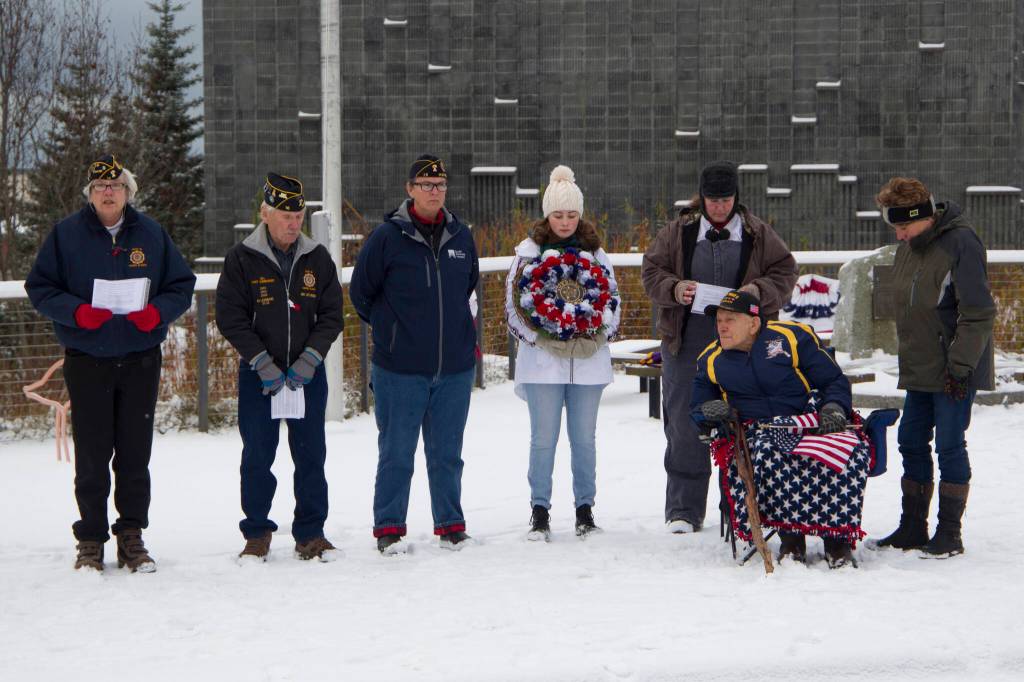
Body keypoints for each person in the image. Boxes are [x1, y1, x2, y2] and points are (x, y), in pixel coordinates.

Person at [24, 154, 196, 572]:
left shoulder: (151, 234)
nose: (108, 192)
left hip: (139, 359)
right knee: (93, 453)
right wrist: (77, 313)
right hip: (88, 359)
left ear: (128, 192)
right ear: (90, 193)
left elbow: (181, 284)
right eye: (100, 187)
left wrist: (156, 313)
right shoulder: (66, 235)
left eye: (116, 186)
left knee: (135, 453)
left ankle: (132, 535)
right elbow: (40, 287)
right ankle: (90, 539)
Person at [642, 161, 798, 534]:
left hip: (742, 344)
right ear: (702, 199)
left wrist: (756, 292)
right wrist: (676, 289)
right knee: (684, 422)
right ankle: (683, 508)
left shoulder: (758, 233)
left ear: (736, 198)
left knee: (743, 420)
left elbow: (785, 271)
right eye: (712, 200)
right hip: (688, 340)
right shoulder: (678, 232)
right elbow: (651, 272)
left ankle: (740, 506)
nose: (718, 207)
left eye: (725, 200)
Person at [349, 154, 480, 555]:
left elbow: (468, 290)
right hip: (399, 369)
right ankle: (389, 527)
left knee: (447, 455)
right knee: (396, 453)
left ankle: (451, 524)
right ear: (409, 190)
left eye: (439, 185)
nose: (433, 192)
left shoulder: (461, 237)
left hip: (454, 369)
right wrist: (392, 333)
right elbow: (361, 293)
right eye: (425, 185)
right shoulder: (386, 238)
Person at [215, 173, 344, 563]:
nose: (293, 223)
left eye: (298, 215)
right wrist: (261, 363)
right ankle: (256, 533)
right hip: (259, 378)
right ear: (265, 214)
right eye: (285, 215)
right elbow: (230, 317)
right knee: (257, 456)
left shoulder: (317, 258)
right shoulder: (242, 258)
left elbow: (332, 315)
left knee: (310, 456)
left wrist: (310, 360)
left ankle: (310, 533)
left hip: (306, 376)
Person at [691, 290, 866, 568]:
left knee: (849, 451)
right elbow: (699, 403)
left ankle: (837, 540)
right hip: (758, 430)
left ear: (753, 323)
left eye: (730, 320)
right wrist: (708, 412)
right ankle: (791, 538)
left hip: (810, 420)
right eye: (719, 320)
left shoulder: (792, 337)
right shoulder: (712, 358)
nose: (722, 326)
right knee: (770, 453)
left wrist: (834, 407)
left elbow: (833, 379)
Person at [871, 177, 995, 558]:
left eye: (904, 226)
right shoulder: (908, 247)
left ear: (923, 216)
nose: (900, 234)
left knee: (949, 445)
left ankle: (949, 532)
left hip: (953, 367)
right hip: (920, 365)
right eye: (895, 227)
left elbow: (979, 313)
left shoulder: (962, 244)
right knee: (910, 439)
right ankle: (913, 526)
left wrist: (960, 367)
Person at [504, 165, 621, 540]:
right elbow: (513, 307)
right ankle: (540, 510)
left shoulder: (597, 254)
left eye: (572, 214)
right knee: (543, 439)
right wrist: (541, 340)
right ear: (547, 214)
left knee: (585, 439)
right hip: (543, 366)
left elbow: (613, 301)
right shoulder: (528, 254)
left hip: (587, 364)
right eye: (558, 214)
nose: (566, 222)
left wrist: (600, 336)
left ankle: (585, 510)